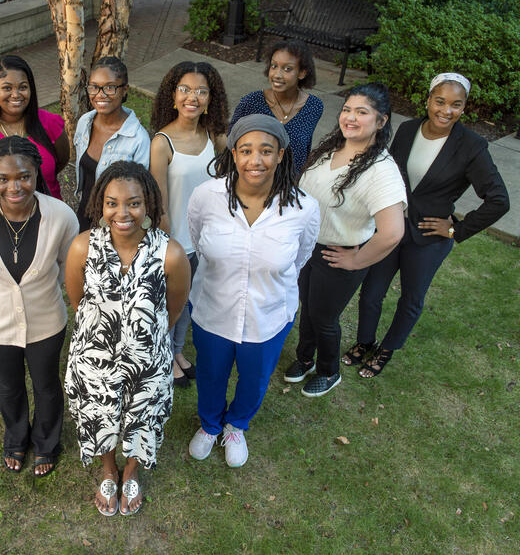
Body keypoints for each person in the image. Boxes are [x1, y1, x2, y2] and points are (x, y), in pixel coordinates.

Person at [342, 73, 510, 377]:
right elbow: (387, 175)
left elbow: (499, 200)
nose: (446, 110)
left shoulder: (472, 147)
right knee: (371, 292)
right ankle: (365, 341)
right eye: (440, 101)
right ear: (429, 99)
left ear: (464, 108)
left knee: (411, 297)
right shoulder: (407, 130)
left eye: (456, 105)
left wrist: (456, 229)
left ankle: (388, 348)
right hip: (392, 228)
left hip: (429, 239)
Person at [187, 114, 320, 466]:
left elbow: (300, 257)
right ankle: (210, 425)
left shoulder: (304, 208)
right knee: (210, 373)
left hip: (268, 315)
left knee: (255, 379)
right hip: (213, 310)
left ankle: (236, 425)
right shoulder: (206, 196)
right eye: (245, 150)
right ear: (233, 154)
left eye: (265, 151)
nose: (255, 160)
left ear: (280, 154)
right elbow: (199, 243)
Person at [64, 162, 190, 516]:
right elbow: (77, 300)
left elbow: (173, 309)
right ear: (100, 204)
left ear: (148, 204)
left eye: (133, 203)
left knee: (142, 416)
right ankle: (108, 469)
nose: (122, 212)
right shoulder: (82, 247)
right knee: (99, 414)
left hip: (147, 359)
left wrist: (144, 337)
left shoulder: (171, 253)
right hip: (93, 358)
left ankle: (131, 471)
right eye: (112, 202)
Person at [0, 136, 78, 476]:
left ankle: (48, 443)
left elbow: (70, 263)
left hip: (45, 319)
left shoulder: (61, 216)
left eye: (23, 176)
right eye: (3, 179)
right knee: (7, 385)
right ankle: (15, 439)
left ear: (37, 173)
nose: (14, 186)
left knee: (46, 384)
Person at [285, 83, 407, 397]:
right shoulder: (333, 146)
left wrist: (355, 260)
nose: (350, 118)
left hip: (338, 254)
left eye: (361, 112)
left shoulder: (381, 171)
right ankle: (305, 358)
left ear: (381, 121)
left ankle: (329, 371)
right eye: (347, 110)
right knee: (308, 307)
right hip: (309, 247)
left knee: (324, 317)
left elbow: (392, 232)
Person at [149, 61, 228, 388]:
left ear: (211, 99)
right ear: (173, 95)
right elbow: (159, 203)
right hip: (177, 240)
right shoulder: (162, 142)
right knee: (173, 302)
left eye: (200, 91)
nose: (192, 97)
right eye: (184, 89)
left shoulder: (216, 137)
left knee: (192, 299)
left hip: (207, 239)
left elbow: (227, 183)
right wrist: (172, 247)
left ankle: (178, 351)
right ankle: (165, 355)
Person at [0, 55, 69, 200]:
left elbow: (61, 160)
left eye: (22, 87)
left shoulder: (51, 123)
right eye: (7, 88)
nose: (15, 95)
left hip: (48, 216)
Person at [73, 56, 151, 231]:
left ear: (124, 90)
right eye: (94, 87)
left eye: (110, 87)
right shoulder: (85, 122)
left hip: (116, 224)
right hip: (83, 216)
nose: (100, 95)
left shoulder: (137, 139)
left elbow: (138, 195)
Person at [230, 39, 323, 176]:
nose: (277, 75)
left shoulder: (313, 107)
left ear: (302, 73)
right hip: (252, 182)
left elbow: (304, 151)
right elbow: (231, 145)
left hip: (289, 187)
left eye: (287, 69)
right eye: (274, 66)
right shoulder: (251, 102)